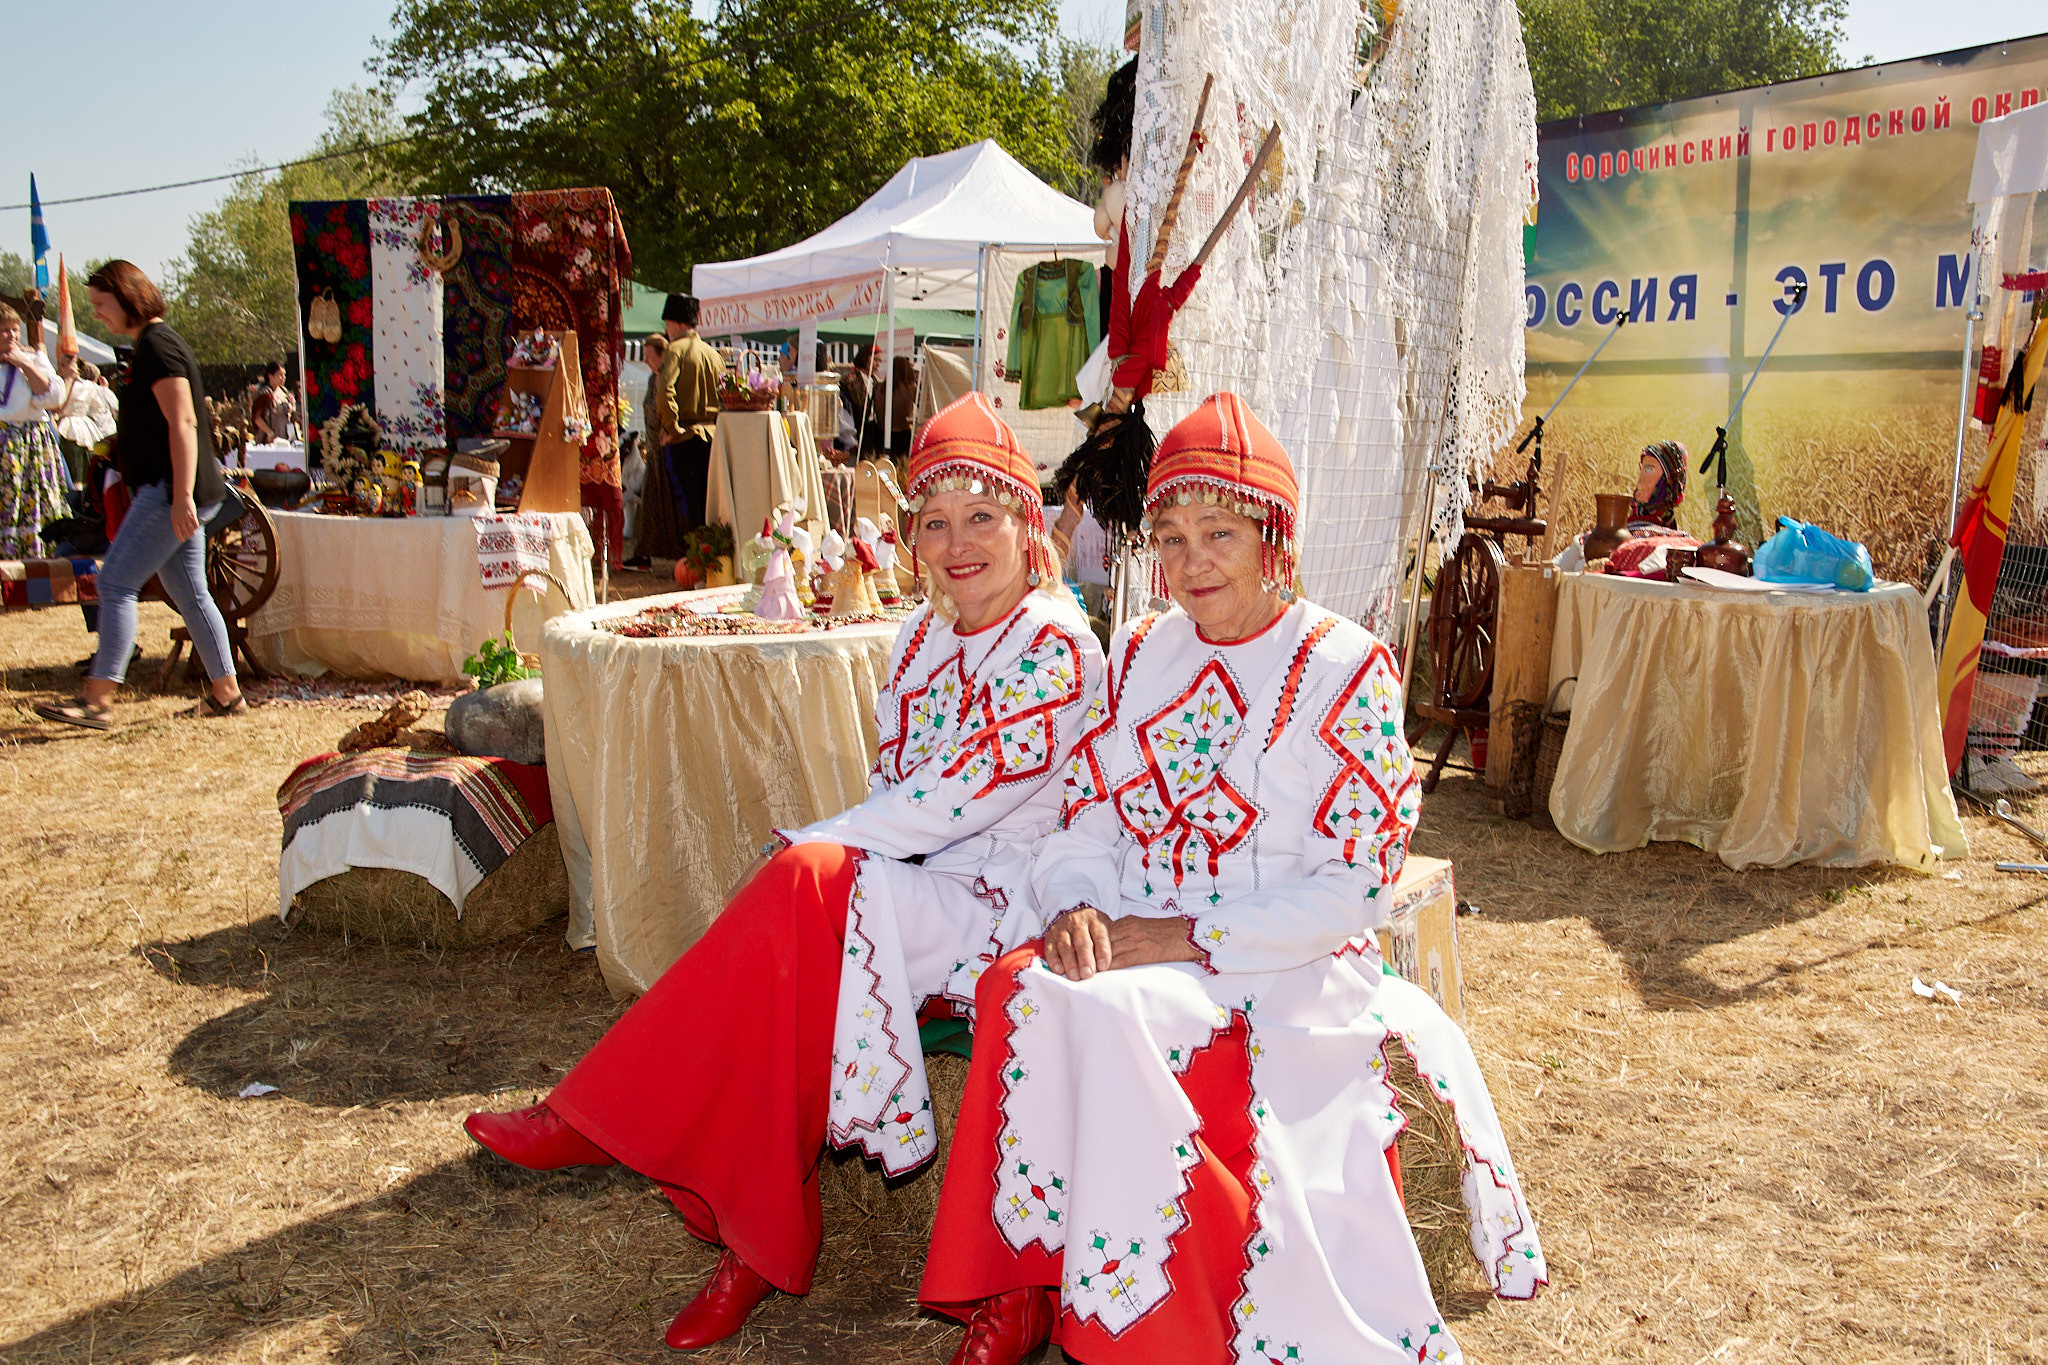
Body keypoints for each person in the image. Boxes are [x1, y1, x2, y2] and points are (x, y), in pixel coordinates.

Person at [462, 393, 1105, 1352]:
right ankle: (749, 1229)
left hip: (1000, 899)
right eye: (934, 521)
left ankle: (628, 1139)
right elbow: (899, 787)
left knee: (808, 888)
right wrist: (834, 846)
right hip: (912, 879)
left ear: (1026, 523)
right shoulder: (923, 637)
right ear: (913, 538)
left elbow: (956, 801)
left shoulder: (1057, 644)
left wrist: (823, 840)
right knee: (806, 918)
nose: (957, 542)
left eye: (982, 516)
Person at [918, 393, 1546, 1365]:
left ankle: (1136, 1332)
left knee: (1117, 1014)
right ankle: (1018, 1290)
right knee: (1022, 984)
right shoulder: (1138, 655)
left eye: (1217, 533)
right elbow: (1081, 814)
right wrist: (1079, 902)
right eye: (1169, 539)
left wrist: (1181, 939)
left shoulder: (1344, 665)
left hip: (1284, 955)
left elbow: (1358, 883)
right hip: (1139, 922)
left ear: (1273, 539)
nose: (1190, 563)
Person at [35, 261, 244, 730]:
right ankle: (227, 695)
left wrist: (182, 497)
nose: (97, 315)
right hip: (175, 489)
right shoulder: (152, 344)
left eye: (101, 305)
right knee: (191, 592)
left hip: (170, 489)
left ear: (128, 298)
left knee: (115, 584)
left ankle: (98, 700)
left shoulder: (157, 346)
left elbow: (184, 422)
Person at [0, 300, 70, 557]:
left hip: (31, 443)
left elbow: (53, 397)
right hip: (3, 442)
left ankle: (36, 560)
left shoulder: (33, 358)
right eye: (5, 330)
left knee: (34, 501)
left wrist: (24, 363)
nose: (12, 335)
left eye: (15, 330)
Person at [653, 295, 725, 530]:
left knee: (688, 510)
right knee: (709, 506)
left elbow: (664, 391)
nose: (666, 329)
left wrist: (672, 429)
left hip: (685, 437)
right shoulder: (713, 354)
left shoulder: (675, 349)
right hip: (713, 437)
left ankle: (694, 562)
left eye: (667, 324)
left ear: (675, 322)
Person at [249, 361, 294, 444]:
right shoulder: (265, 394)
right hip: (271, 438)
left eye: (284, 375)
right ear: (270, 376)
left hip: (286, 435)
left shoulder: (284, 392)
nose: (283, 378)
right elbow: (257, 418)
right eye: (280, 375)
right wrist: (269, 433)